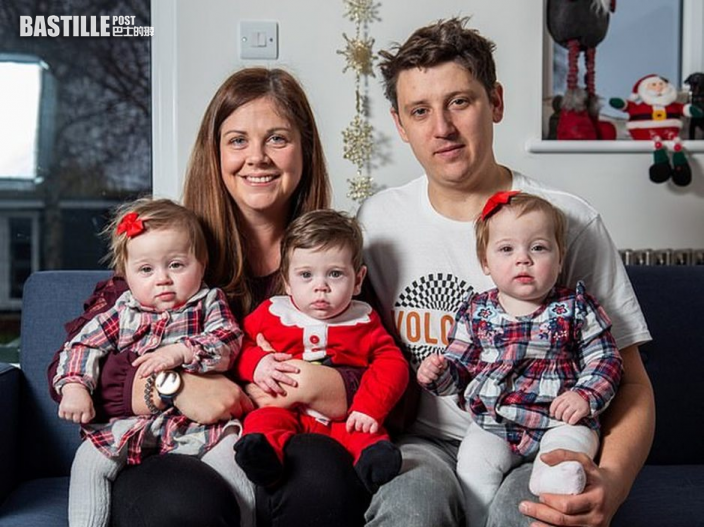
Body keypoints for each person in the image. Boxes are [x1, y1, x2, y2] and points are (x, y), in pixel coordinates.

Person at [357, 17, 654, 527]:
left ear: (495, 102)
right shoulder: (377, 222)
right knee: (408, 512)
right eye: (420, 111)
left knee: (526, 514)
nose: (442, 128)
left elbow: (631, 384)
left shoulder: (566, 220)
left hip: (542, 440)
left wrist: (614, 482)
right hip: (426, 443)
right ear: (400, 125)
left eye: (460, 102)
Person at [48, 68, 370, 527]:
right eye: (238, 140)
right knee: (185, 506)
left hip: (289, 435)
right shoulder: (171, 251)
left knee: (323, 479)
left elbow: (388, 374)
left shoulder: (335, 258)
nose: (257, 157)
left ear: (305, 150)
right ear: (214, 153)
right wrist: (175, 387)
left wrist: (324, 386)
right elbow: (72, 364)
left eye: (277, 138)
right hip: (171, 448)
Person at [416, 191, 622, 527]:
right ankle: (477, 519)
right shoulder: (477, 311)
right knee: (473, 464)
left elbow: (606, 359)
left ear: (560, 258)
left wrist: (585, 395)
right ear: (485, 262)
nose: (523, 259)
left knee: (564, 459)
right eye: (506, 249)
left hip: (561, 419)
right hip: (496, 421)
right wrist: (439, 373)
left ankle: (555, 482)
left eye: (538, 248)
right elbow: (460, 367)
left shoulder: (575, 307)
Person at [53, 198, 247, 527]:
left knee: (233, 458)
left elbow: (228, 339)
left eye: (176, 265)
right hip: (131, 426)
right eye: (146, 269)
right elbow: (83, 345)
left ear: (201, 264)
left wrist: (183, 352)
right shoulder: (122, 312)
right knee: (88, 460)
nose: (162, 279)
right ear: (125, 275)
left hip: (200, 427)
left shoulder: (208, 303)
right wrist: (74, 386)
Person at [234, 209, 408, 493]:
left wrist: (369, 407)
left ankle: (373, 462)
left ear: (358, 280)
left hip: (344, 418)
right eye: (306, 275)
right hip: (284, 410)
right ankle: (264, 459)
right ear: (287, 280)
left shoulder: (364, 322)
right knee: (262, 422)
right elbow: (238, 344)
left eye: (335, 274)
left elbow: (392, 364)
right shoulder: (272, 313)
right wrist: (258, 364)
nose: (320, 287)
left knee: (365, 433)